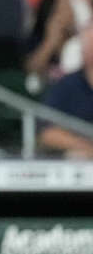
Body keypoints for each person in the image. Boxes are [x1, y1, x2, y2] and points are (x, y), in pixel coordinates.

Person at [41, 26, 93, 158]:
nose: (88, 48)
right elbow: (48, 133)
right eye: (87, 43)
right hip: (81, 158)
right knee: (77, 157)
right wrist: (85, 146)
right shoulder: (66, 86)